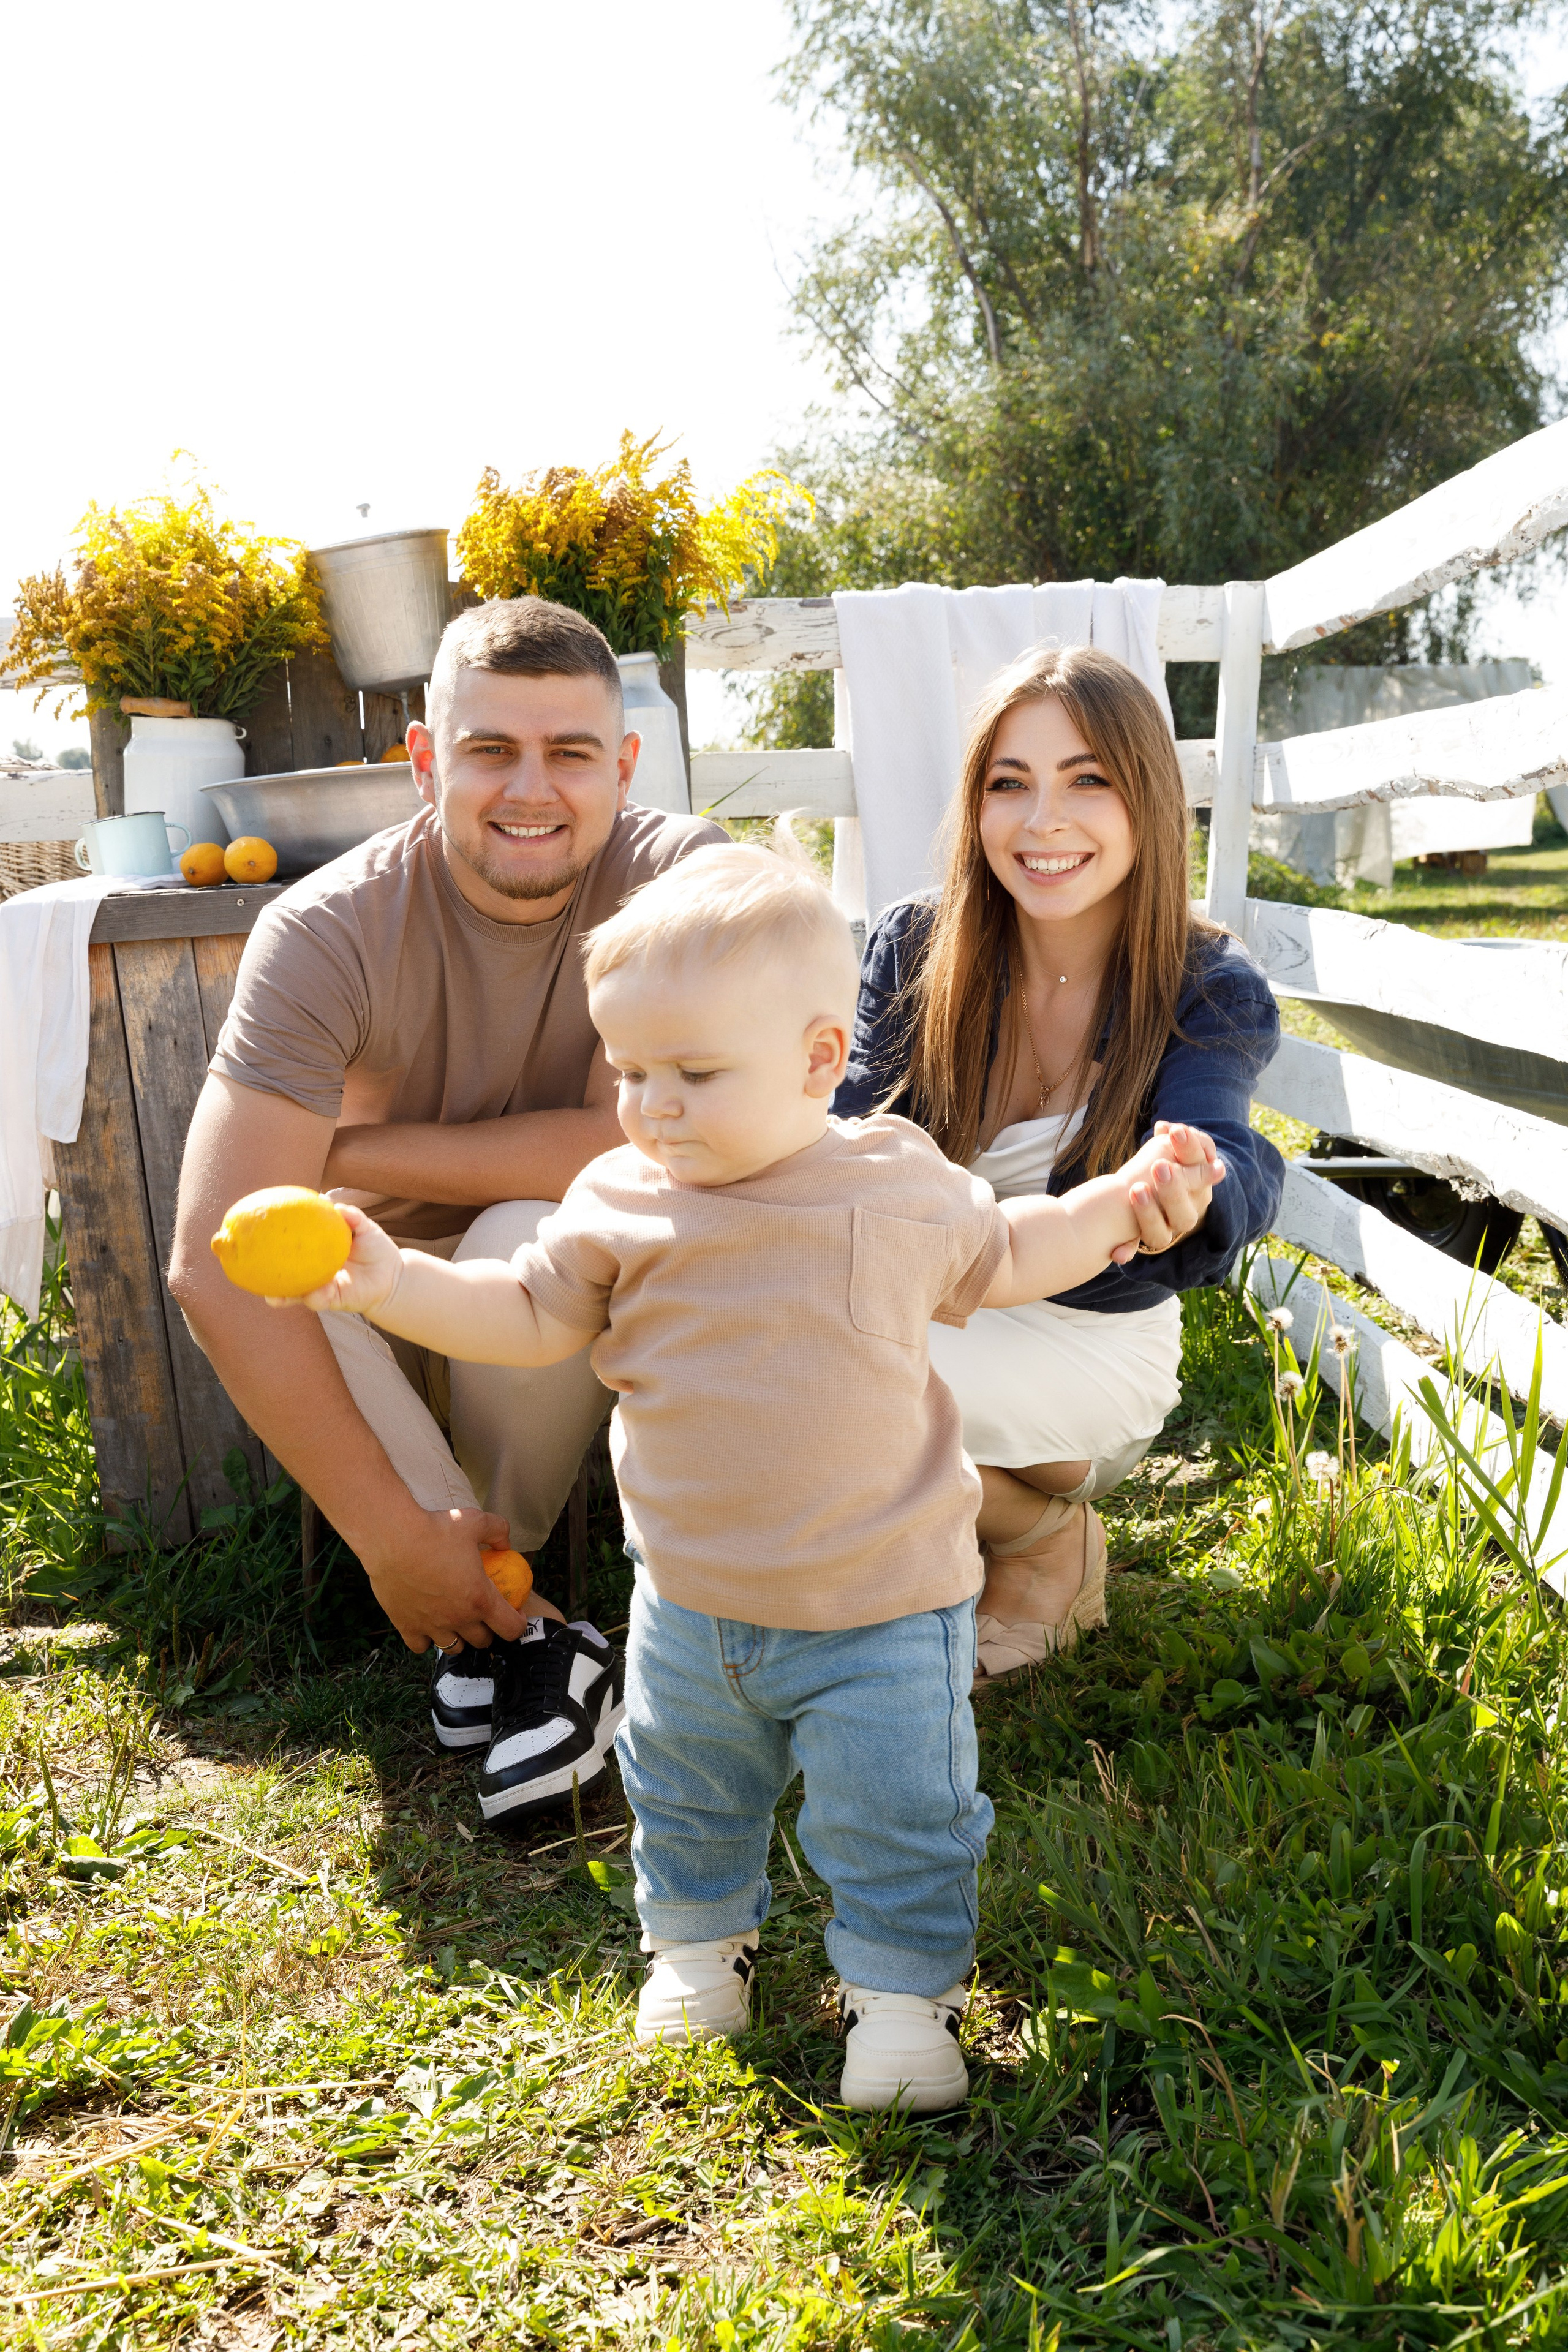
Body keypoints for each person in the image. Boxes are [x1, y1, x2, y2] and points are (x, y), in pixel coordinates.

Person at [274, 842, 1223, 2109]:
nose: (653, 1106)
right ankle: (695, 1949)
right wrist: (394, 1282)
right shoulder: (621, 1197)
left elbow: (1009, 1249)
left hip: (880, 1603)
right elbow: (524, 1313)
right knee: (684, 1788)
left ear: (820, 1061)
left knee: (896, 1811)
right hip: (693, 1601)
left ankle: (898, 2001)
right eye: (630, 1072)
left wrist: (1116, 1201)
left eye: (694, 1075)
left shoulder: (888, 1186)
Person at [168, 597, 726, 1771]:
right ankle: (495, 1615)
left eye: (571, 754)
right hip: (368, 1318)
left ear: (624, 766)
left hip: (553, 1328)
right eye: (490, 752)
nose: (532, 789)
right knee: (290, 1259)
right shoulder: (325, 930)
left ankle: (489, 1613)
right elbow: (212, 1260)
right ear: (425, 764)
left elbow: (677, 1145)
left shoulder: (682, 886)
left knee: (546, 1222)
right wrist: (387, 1538)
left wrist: (353, 1154)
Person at [835, 644, 1284, 1683]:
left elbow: (1230, 1150)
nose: (1043, 822)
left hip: (1089, 1341)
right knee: (789, 1354)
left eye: (1088, 780)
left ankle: (1036, 1538)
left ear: (1147, 800)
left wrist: (1193, 1190)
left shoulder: (1204, 982)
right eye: (1010, 783)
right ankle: (983, 1536)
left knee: (824, 1380)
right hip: (925, 1305)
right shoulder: (916, 947)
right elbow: (851, 1142)